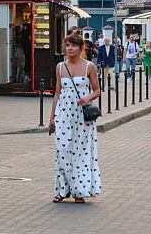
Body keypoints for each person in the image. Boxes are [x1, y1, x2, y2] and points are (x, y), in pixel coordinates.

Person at [49, 33, 101, 203]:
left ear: (80, 48)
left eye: (73, 45)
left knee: (81, 152)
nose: (69, 48)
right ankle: (61, 190)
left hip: (82, 115)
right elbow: (57, 93)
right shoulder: (60, 67)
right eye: (67, 45)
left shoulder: (89, 66)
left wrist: (88, 98)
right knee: (62, 150)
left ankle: (80, 190)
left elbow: (97, 90)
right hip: (63, 113)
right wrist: (52, 117)